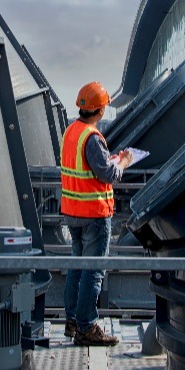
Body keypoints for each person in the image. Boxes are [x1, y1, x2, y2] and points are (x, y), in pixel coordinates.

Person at [61, 81, 133, 346]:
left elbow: (86, 166)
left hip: (73, 212)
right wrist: (123, 161)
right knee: (93, 270)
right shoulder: (92, 137)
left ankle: (72, 321)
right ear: (101, 110)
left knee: (77, 267)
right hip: (93, 213)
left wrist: (107, 158)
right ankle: (87, 326)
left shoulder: (72, 132)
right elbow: (107, 174)